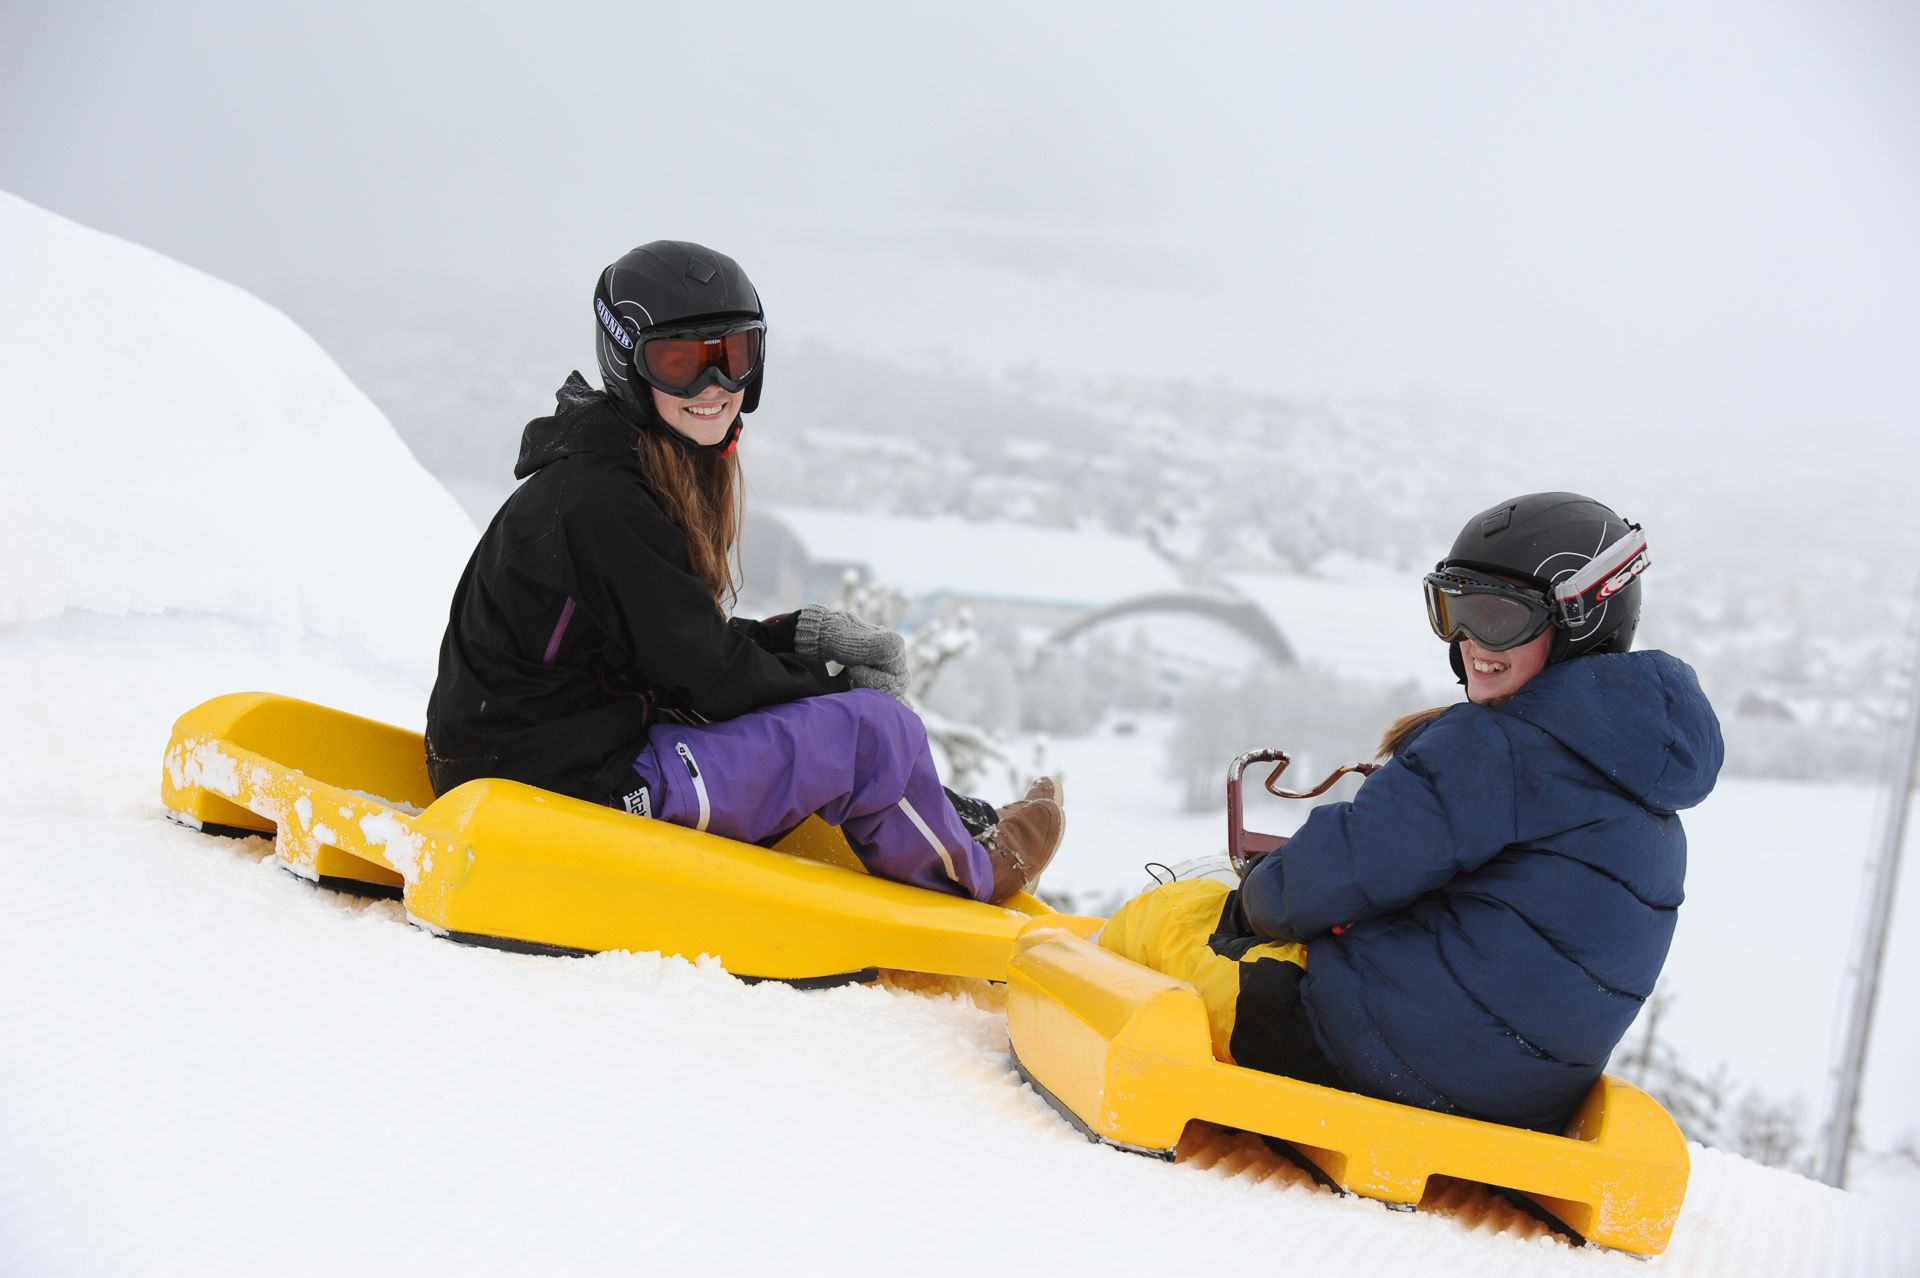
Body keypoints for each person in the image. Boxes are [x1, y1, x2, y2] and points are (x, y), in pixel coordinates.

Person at [424, 241, 1062, 904]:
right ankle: (980, 874)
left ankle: (956, 820)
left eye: (733, 356)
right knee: (873, 731)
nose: (715, 387)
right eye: (681, 363)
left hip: (535, 758)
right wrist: (832, 684)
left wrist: (796, 639)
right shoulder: (604, 501)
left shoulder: (609, 470)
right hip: (555, 792)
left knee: (848, 721)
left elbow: (670, 644)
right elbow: (708, 676)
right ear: (629, 364)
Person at [1099, 492, 1722, 1132]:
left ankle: (1071, 984)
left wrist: (1248, 897)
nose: (1471, 641)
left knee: (1171, 914)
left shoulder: (1496, 746)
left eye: (1498, 618)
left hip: (1363, 1051)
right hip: (1523, 1095)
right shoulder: (1647, 788)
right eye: (1453, 611)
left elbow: (1317, 884)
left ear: (1578, 620)